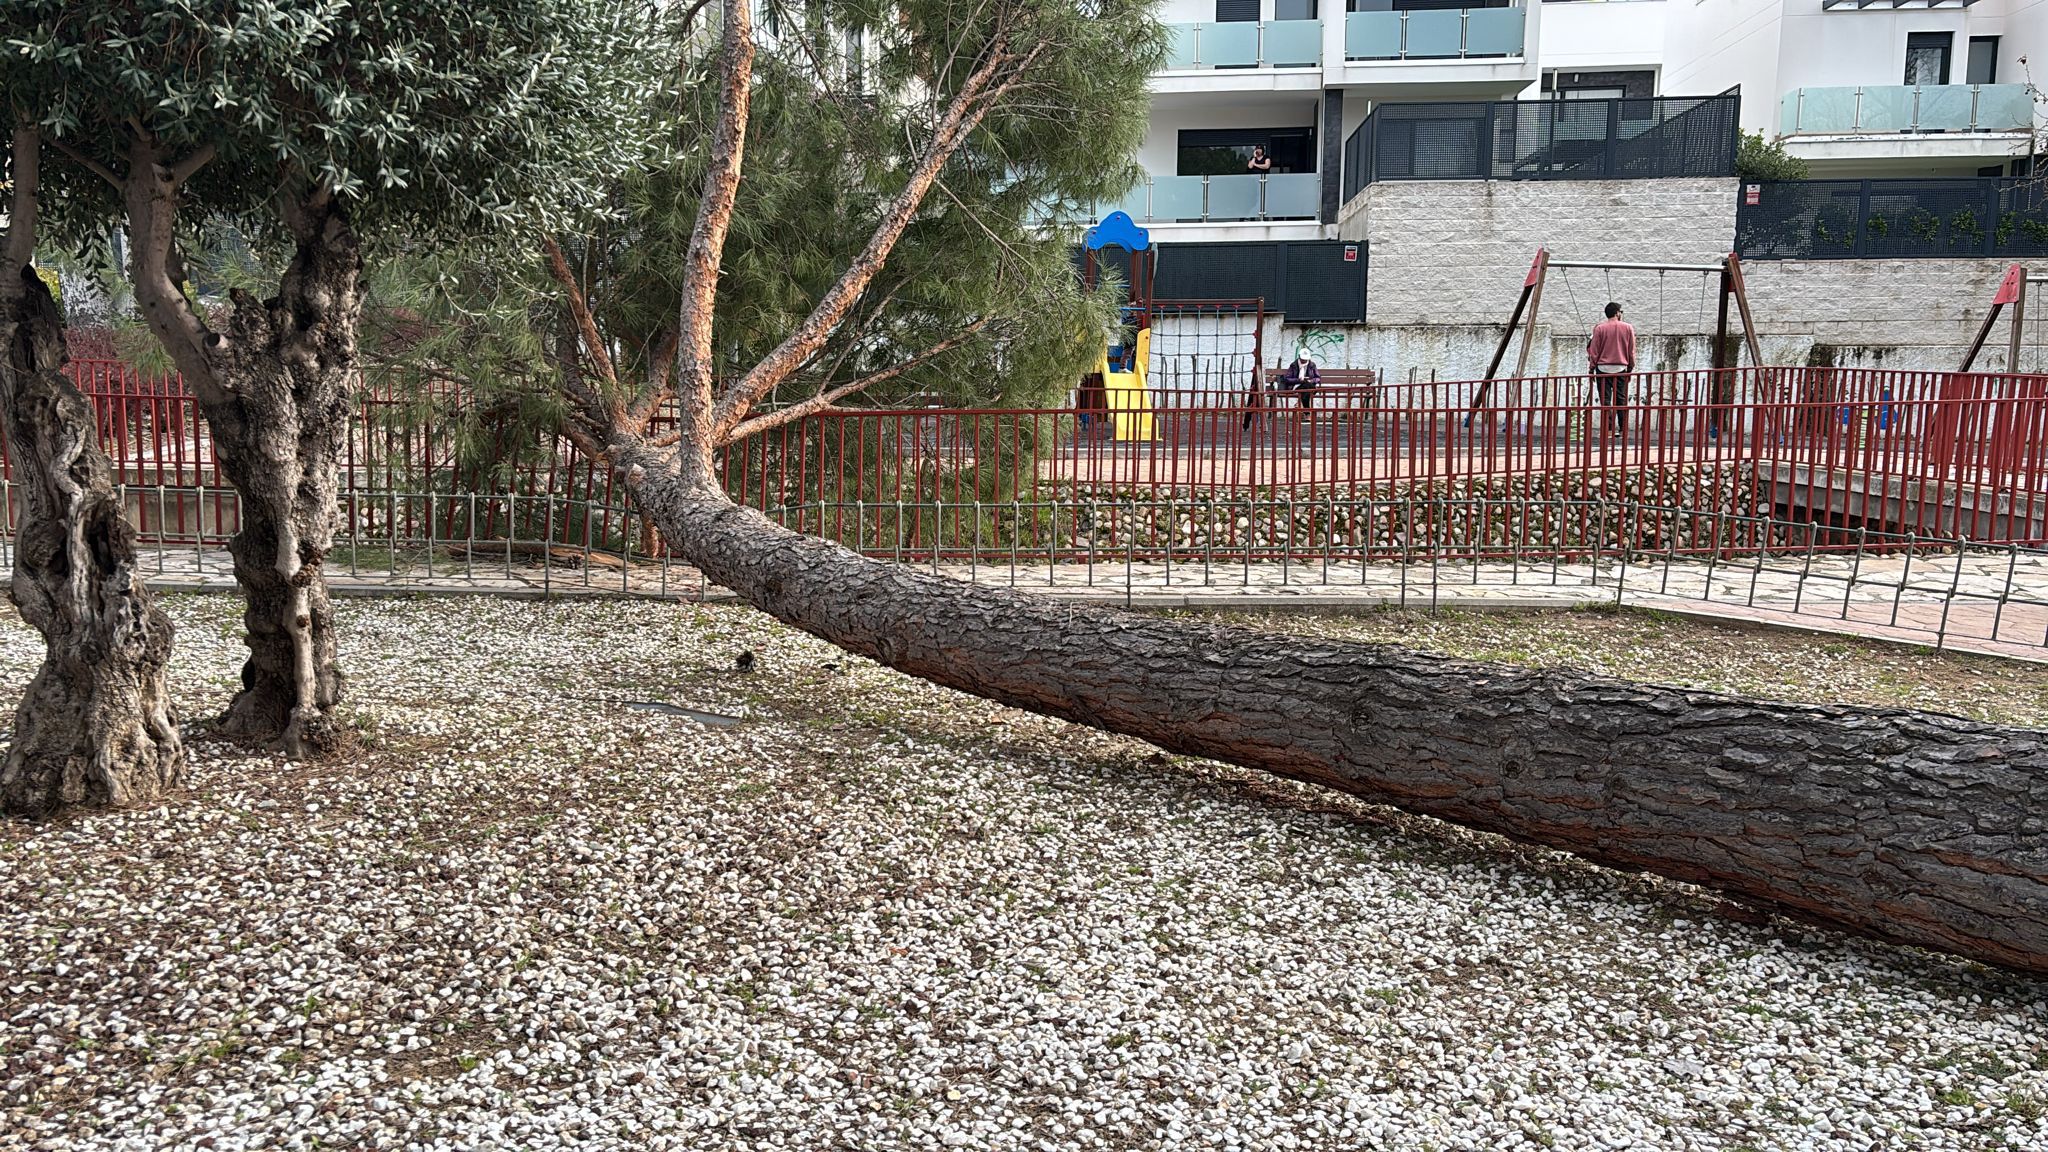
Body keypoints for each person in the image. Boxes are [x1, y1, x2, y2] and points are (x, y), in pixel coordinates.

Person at [1585, 301, 1636, 435]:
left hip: (1603, 368)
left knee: (1605, 400)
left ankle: (1608, 430)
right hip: (1621, 367)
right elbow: (1631, 351)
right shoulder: (1628, 328)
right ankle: (1623, 429)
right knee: (1621, 399)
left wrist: (1591, 368)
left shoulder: (1599, 328)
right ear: (1617, 313)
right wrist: (1630, 367)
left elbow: (1594, 351)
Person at [1246, 350, 1320, 429]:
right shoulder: (1294, 365)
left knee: (1307, 386)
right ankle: (1306, 412)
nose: (1304, 361)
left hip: (1307, 387)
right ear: (1299, 357)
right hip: (1296, 386)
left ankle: (1302, 405)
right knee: (1308, 387)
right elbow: (1287, 379)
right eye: (1303, 359)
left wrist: (1311, 381)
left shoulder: (1312, 365)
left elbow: (1318, 378)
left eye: (1305, 359)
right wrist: (1298, 380)